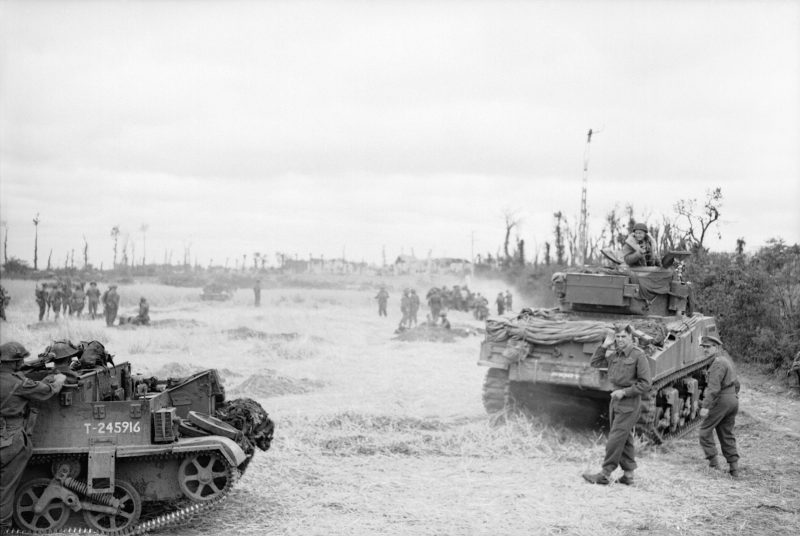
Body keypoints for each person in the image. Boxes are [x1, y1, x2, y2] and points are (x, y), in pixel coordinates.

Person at [0, 342, 66, 531]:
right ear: (14, 363)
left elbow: (21, 369)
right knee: (5, 489)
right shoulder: (18, 384)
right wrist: (59, 378)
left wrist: (36, 362)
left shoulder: (11, 376)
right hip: (10, 439)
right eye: (20, 360)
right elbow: (47, 390)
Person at [583, 325, 652, 486]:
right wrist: (605, 344)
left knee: (614, 438)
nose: (620, 340)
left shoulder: (638, 356)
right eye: (618, 337)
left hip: (629, 401)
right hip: (616, 400)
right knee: (624, 438)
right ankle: (628, 476)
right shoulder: (615, 355)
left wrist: (625, 392)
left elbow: (646, 384)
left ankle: (605, 474)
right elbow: (594, 362)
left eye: (623, 337)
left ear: (631, 338)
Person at [698, 335, 740, 477]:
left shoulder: (717, 363)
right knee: (726, 433)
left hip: (722, 400)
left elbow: (713, 388)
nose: (705, 349)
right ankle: (734, 468)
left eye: (708, 347)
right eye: (703, 347)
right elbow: (737, 383)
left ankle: (714, 465)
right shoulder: (726, 361)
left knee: (704, 431)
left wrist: (705, 406)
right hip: (732, 399)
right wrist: (732, 397)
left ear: (716, 348)